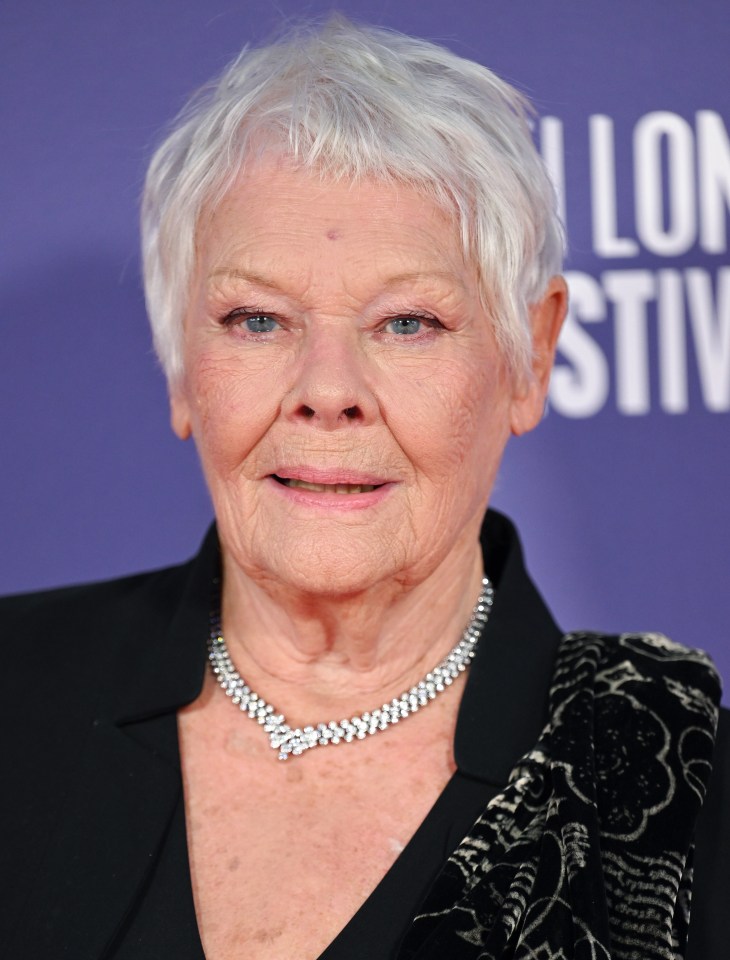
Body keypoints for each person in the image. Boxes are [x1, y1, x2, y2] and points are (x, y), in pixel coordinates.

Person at [1, 16, 727, 960]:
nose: (329, 392)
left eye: (408, 323)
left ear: (529, 359)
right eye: (257, 319)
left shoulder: (682, 792)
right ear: (181, 367)